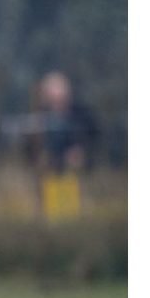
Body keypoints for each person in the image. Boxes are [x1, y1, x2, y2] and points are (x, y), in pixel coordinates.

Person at [32, 71, 99, 221]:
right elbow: (31, 147)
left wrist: (81, 151)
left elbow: (94, 134)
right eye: (50, 91)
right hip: (50, 173)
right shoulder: (40, 116)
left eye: (57, 89)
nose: (54, 94)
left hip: (79, 172)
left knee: (74, 214)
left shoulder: (81, 113)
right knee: (52, 215)